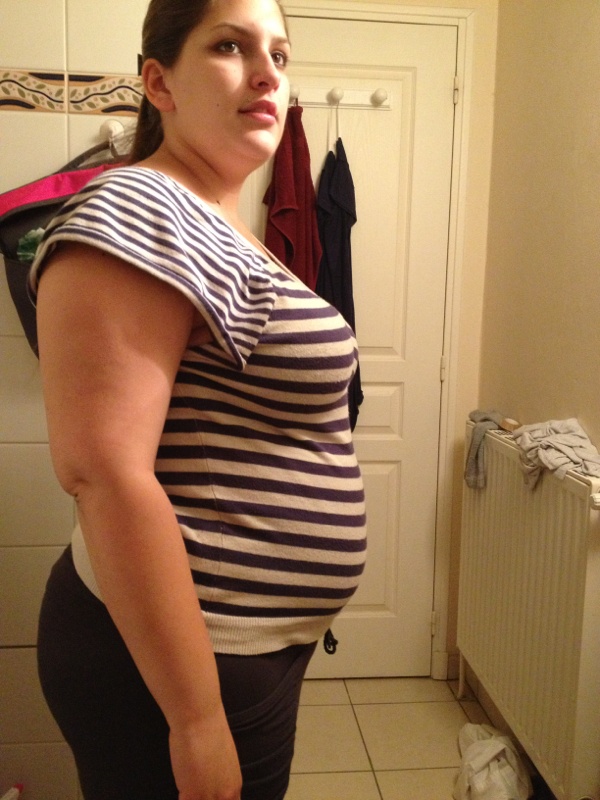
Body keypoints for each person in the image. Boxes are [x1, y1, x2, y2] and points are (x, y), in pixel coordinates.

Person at [30, 0, 367, 798]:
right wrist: (197, 720)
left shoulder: (219, 222)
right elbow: (104, 472)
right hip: (180, 670)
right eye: (230, 46)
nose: (267, 75)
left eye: (280, 55)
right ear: (160, 83)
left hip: (235, 651)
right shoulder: (140, 207)